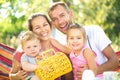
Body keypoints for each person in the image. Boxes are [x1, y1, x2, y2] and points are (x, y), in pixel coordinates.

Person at [48, 1, 119, 79]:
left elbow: (115, 62)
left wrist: (90, 71)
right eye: (55, 19)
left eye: (62, 15)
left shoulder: (93, 31)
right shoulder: (62, 46)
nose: (60, 22)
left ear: (70, 14)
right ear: (53, 23)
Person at [9, 12, 73, 80]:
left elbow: (68, 76)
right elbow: (11, 76)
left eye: (45, 25)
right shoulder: (24, 52)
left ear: (49, 25)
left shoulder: (58, 50)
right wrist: (16, 77)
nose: (43, 30)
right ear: (32, 31)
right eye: (37, 28)